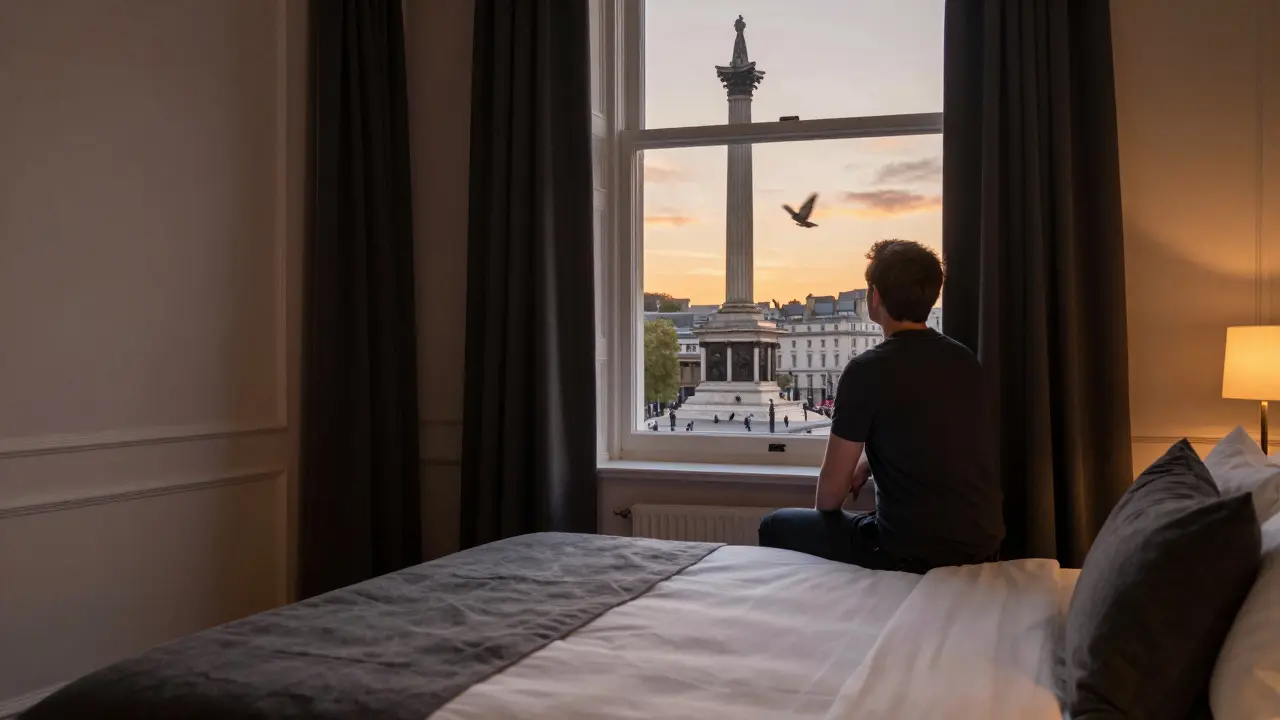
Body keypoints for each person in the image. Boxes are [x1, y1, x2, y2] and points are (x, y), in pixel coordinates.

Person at [758, 239, 1003, 573]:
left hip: (908, 552)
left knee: (774, 525)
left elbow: (829, 496)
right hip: (982, 546)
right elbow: (936, 441)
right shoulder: (964, 360)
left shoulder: (866, 370)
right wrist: (869, 464)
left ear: (874, 297)